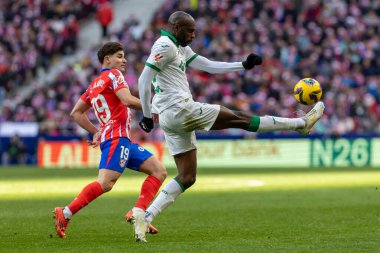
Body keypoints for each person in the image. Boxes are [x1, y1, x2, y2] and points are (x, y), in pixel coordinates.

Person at [138, 11, 325, 231]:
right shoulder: (164, 46)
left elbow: (207, 65)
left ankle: (146, 216)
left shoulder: (178, 47)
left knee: (187, 176)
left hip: (171, 117)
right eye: (190, 31)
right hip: (179, 109)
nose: (194, 35)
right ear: (177, 28)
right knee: (241, 118)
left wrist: (242, 65)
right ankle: (302, 124)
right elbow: (144, 79)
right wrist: (147, 116)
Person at [53, 42, 167, 243]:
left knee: (159, 171)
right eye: (120, 56)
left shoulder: (94, 84)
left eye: (124, 56)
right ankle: (66, 212)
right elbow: (127, 100)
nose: (124, 60)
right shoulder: (114, 75)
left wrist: (96, 131)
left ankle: (138, 212)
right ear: (108, 59)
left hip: (121, 139)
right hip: (116, 138)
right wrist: (153, 108)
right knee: (105, 183)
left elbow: (76, 113)